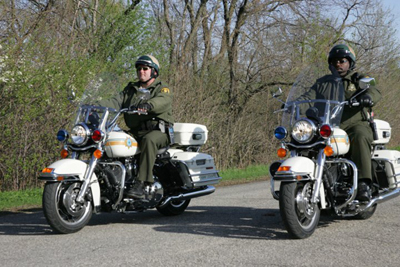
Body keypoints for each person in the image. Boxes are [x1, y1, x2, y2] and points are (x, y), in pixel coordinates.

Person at [299, 44, 382, 202]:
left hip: (353, 125)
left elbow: (374, 90)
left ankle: (364, 183)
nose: (338, 64)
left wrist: (367, 97)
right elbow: (307, 98)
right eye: (335, 61)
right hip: (328, 126)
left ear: (350, 62)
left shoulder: (358, 79)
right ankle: (308, 183)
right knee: (305, 140)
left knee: (360, 135)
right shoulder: (323, 83)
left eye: (342, 60)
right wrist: (292, 105)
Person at [98, 55, 173, 198]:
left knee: (149, 140)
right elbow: (115, 101)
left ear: (154, 71)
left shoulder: (162, 88)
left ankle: (143, 183)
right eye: (139, 69)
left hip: (159, 131)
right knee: (110, 139)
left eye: (145, 68)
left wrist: (148, 105)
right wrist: (96, 104)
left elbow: (162, 101)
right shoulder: (131, 89)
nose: (141, 71)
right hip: (136, 131)